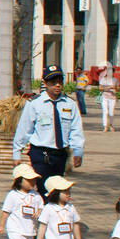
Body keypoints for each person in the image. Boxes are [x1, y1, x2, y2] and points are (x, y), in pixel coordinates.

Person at [12, 65, 85, 198]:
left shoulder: (69, 104)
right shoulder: (35, 103)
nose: (57, 86)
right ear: (45, 83)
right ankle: (41, 216)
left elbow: (76, 129)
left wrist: (78, 151)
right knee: (41, 189)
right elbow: (24, 129)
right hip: (40, 154)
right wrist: (17, 152)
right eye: (53, 83)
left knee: (57, 191)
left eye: (60, 82)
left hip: (60, 155)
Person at [99, 63, 117, 132]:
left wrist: (113, 87)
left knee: (111, 112)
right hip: (105, 97)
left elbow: (118, 88)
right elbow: (100, 88)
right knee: (105, 111)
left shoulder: (115, 80)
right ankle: (105, 126)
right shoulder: (103, 79)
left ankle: (111, 125)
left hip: (112, 97)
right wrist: (107, 88)